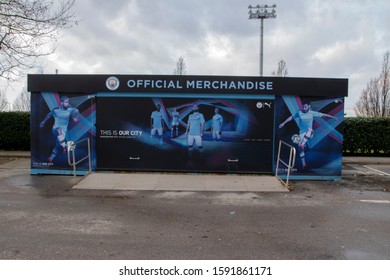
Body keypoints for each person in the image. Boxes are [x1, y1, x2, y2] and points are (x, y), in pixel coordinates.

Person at [279, 101, 337, 169]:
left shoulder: (312, 113)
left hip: (310, 133)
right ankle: (304, 164)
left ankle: (303, 144)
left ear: (309, 106)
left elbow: (324, 115)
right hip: (302, 134)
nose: (304, 108)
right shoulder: (299, 113)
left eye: (305, 107)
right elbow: (291, 117)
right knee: (301, 149)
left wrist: (334, 117)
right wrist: (283, 123)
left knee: (309, 129)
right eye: (303, 107)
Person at [40, 96, 79, 163]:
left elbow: (77, 111)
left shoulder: (70, 109)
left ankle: (51, 158)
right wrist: (43, 122)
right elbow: (49, 115)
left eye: (68, 102)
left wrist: (76, 118)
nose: (67, 103)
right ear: (61, 102)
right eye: (66, 102)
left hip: (65, 131)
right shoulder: (55, 110)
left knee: (61, 145)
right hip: (55, 129)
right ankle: (64, 147)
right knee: (58, 130)